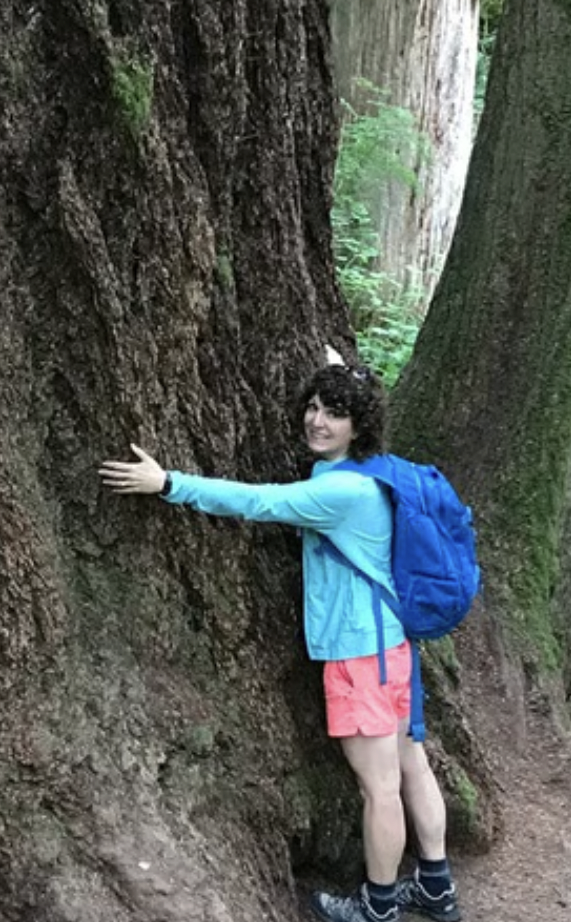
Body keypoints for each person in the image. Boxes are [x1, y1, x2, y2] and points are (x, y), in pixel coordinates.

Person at [97, 359, 462, 922]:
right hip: (391, 647)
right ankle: (435, 888)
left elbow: (259, 502)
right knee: (410, 764)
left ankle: (380, 907)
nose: (317, 421)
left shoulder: (341, 492)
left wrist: (168, 483)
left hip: (361, 654)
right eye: (314, 407)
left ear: (359, 427)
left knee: (380, 787)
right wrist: (344, 370)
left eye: (335, 414)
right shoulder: (377, 470)